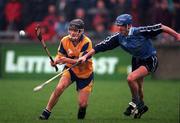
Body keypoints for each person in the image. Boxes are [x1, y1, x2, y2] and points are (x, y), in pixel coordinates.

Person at [78, 14, 180, 119]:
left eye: (121, 25)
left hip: (150, 60)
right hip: (136, 60)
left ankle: (135, 102)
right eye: (118, 25)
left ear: (129, 25)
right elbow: (100, 46)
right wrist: (85, 56)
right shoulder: (119, 37)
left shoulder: (140, 31)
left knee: (130, 78)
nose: (119, 27)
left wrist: (176, 35)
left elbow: (161, 27)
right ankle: (141, 107)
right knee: (139, 88)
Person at [39, 19, 94, 120]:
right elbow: (60, 55)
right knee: (59, 87)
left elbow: (81, 61)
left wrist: (65, 60)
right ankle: (46, 111)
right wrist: (55, 61)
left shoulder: (87, 42)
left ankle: (82, 112)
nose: (72, 32)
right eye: (71, 29)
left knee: (82, 104)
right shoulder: (65, 40)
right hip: (70, 70)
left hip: (85, 74)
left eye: (75, 30)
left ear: (81, 31)